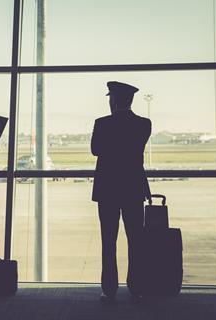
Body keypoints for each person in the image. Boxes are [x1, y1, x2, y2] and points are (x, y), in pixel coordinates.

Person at [91, 81, 151, 303]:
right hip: (133, 188)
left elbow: (96, 149)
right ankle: (137, 286)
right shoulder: (144, 124)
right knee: (136, 239)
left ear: (113, 100)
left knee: (109, 240)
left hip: (107, 189)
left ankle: (109, 288)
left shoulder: (102, 123)